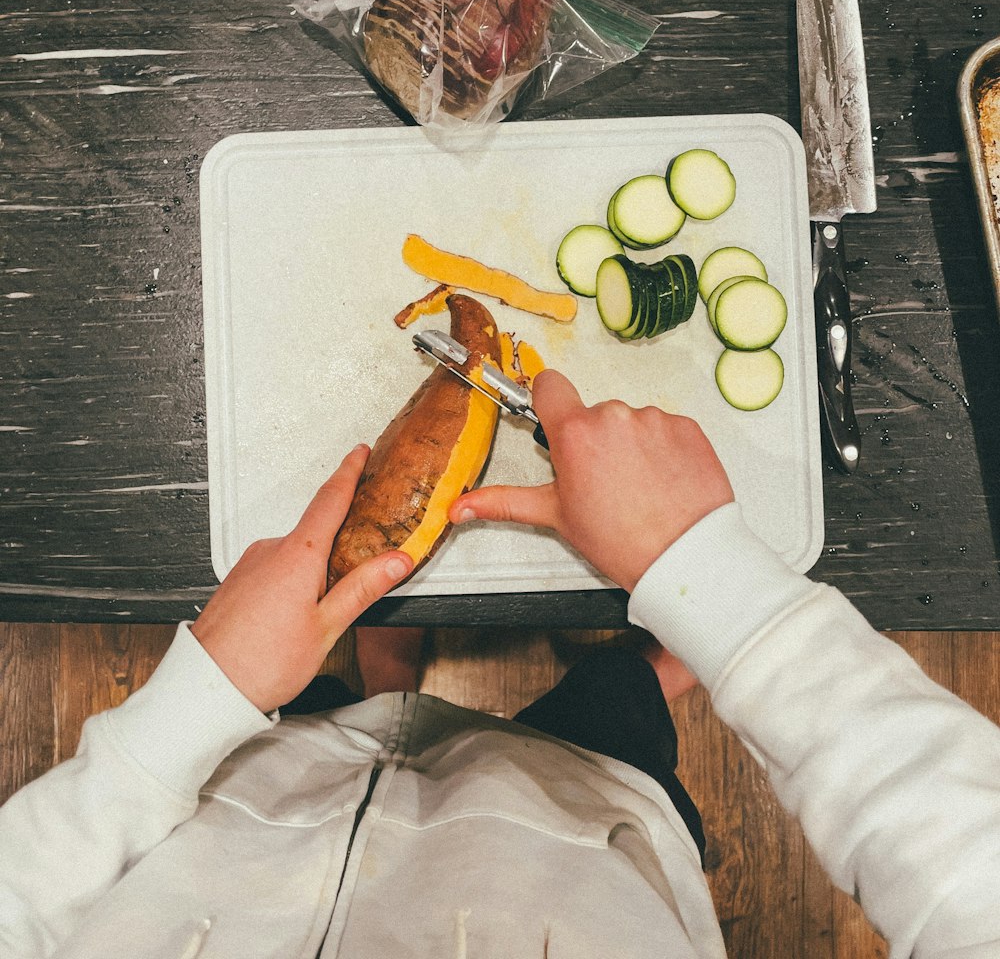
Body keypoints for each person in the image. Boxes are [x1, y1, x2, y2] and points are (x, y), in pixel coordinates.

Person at [2, 371, 999, 957]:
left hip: (247, 794)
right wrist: (713, 589)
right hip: (578, 834)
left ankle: (387, 673)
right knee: (612, 728)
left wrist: (192, 701)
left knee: (317, 708)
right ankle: (652, 665)